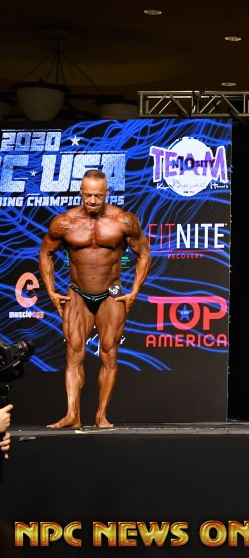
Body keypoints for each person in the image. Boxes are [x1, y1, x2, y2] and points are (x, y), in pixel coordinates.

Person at [39, 169, 151, 428]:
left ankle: (101, 415)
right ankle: (72, 415)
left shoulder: (123, 221)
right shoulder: (64, 222)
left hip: (112, 292)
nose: (92, 200)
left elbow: (144, 252)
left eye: (98, 196)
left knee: (109, 354)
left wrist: (134, 290)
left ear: (106, 193)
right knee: (74, 354)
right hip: (77, 292)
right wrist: (51, 290)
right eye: (88, 195)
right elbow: (46, 252)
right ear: (81, 193)